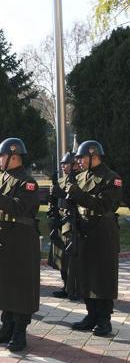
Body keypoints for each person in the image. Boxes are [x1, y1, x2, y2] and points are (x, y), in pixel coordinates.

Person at [0, 138, 40, 352]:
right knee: (4, 284)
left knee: (20, 286)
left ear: (14, 157)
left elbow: (18, 208)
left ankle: (19, 332)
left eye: (2, 156)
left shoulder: (28, 183)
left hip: (21, 240)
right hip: (1, 237)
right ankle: (7, 326)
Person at [66, 140, 123, 337]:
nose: (79, 162)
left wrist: (77, 195)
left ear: (94, 156)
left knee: (102, 275)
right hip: (83, 228)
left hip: (102, 230)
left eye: (82, 158)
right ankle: (91, 315)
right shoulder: (81, 177)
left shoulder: (112, 178)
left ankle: (104, 319)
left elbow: (103, 205)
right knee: (85, 273)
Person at [47, 152, 77, 299]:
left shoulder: (77, 180)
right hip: (60, 222)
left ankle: (74, 289)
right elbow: (53, 202)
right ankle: (66, 286)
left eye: (66, 164)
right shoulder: (60, 181)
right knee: (61, 259)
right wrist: (52, 195)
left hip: (72, 223)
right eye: (62, 164)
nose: (63, 166)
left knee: (72, 259)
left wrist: (61, 194)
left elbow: (75, 200)